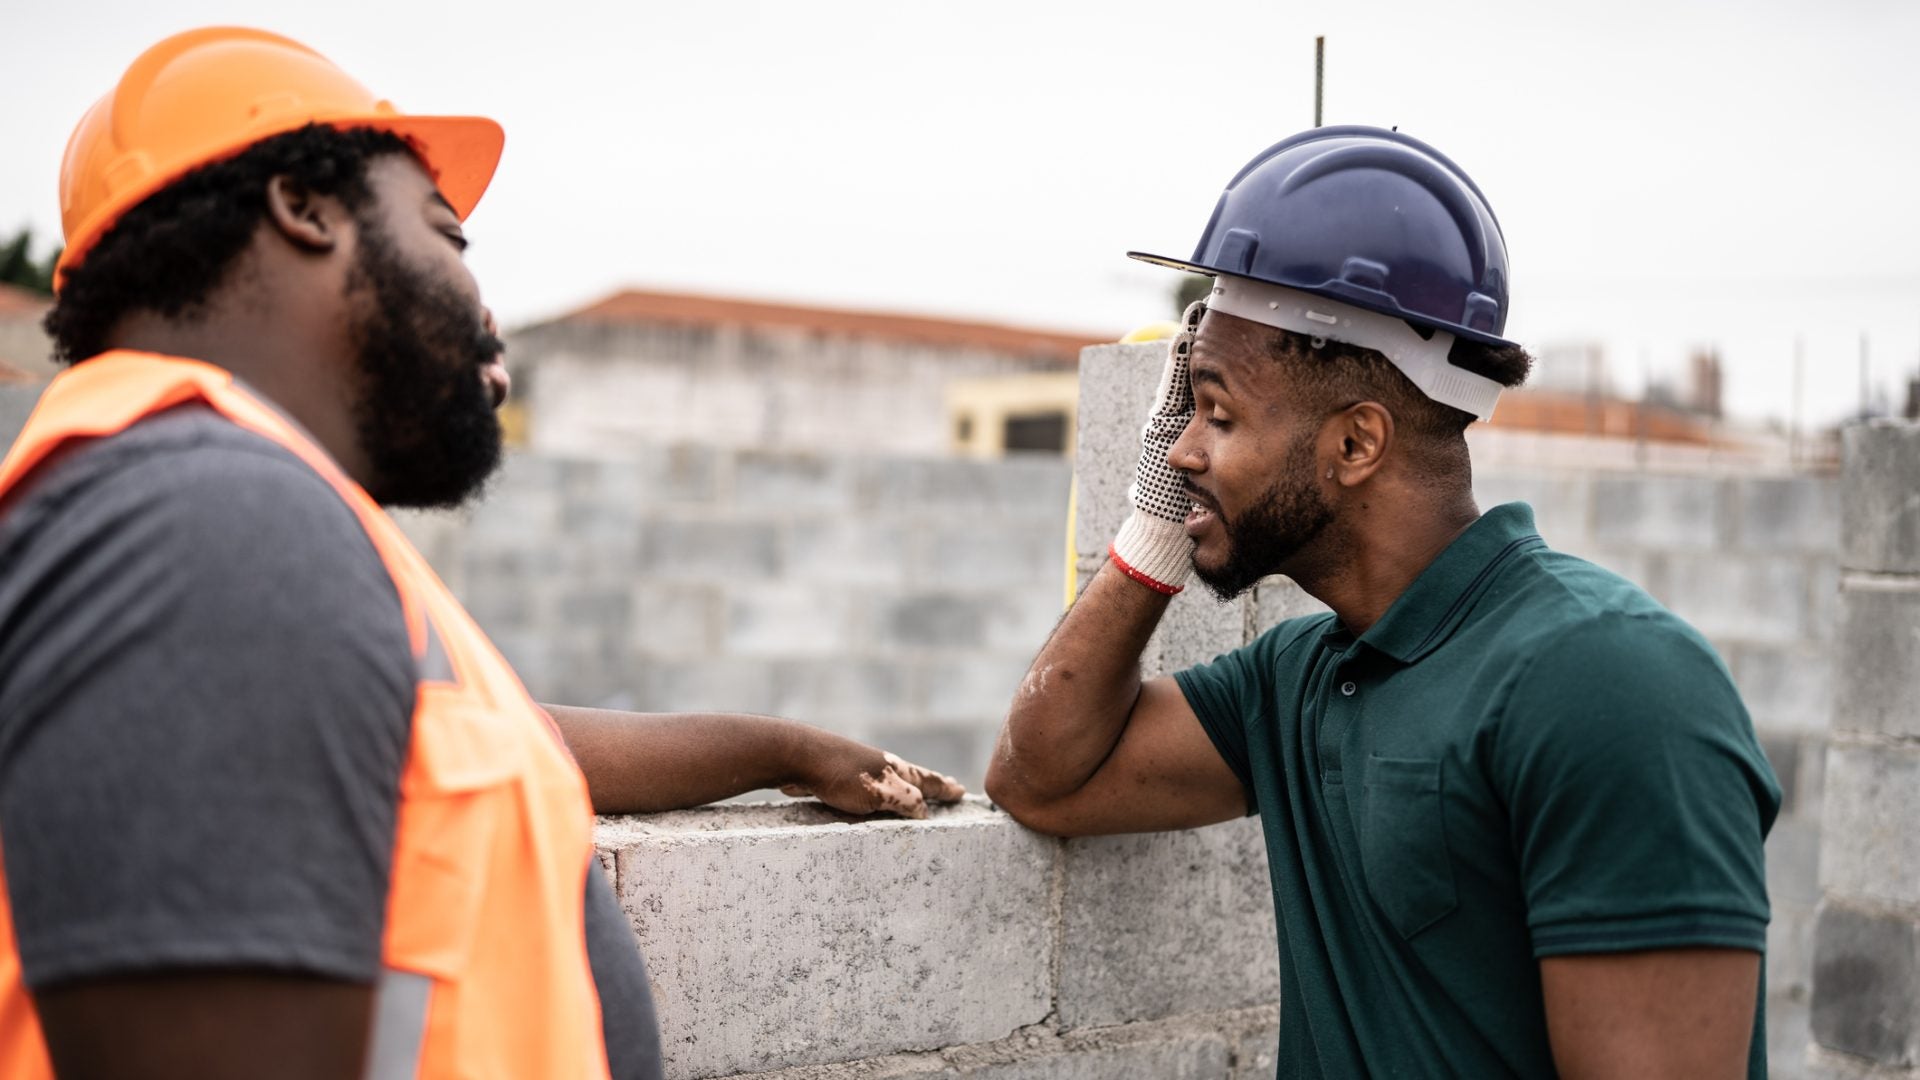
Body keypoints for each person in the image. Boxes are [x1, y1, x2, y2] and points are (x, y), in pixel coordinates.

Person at [0, 27, 963, 1080]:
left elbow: (485, 738)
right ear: (305, 208)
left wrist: (782, 749)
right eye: (446, 237)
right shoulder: (208, 520)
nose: (486, 312)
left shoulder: (224, 511)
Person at [986, 126, 1780, 1079]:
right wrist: (1161, 516)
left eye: (1218, 414)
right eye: (1182, 416)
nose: (1182, 449)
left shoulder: (1606, 679)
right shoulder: (1300, 679)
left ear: (1357, 444)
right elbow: (1042, 776)